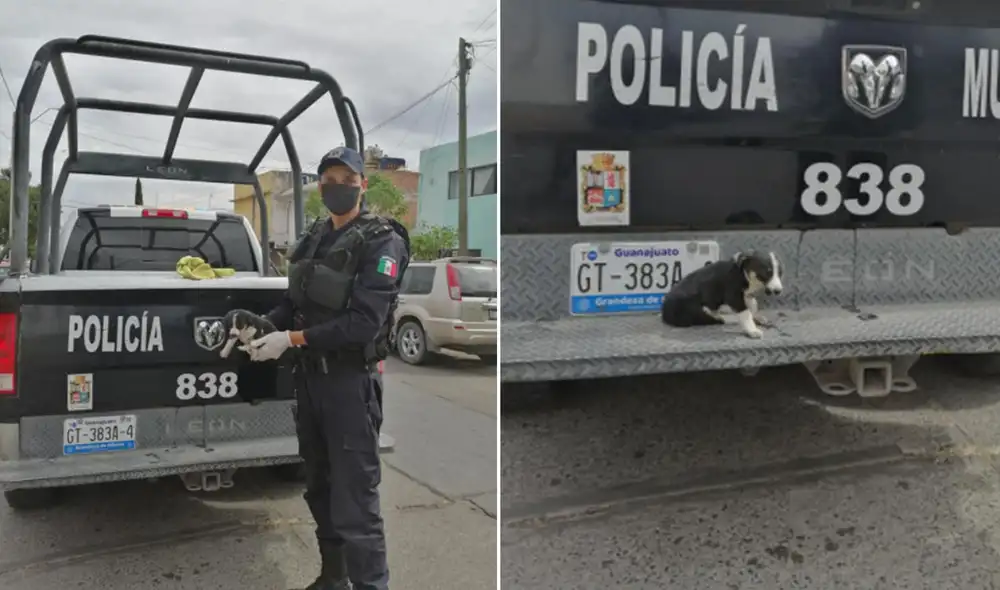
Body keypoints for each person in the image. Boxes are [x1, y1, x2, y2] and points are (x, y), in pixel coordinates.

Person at [246, 146, 409, 590]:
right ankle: (333, 579)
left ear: (363, 184)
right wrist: (263, 328)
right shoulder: (316, 235)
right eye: (329, 179)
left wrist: (292, 339)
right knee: (319, 488)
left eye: (346, 179)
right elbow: (291, 302)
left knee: (356, 502)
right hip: (310, 383)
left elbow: (363, 323)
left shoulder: (381, 240)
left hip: (349, 384)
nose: (337, 187)